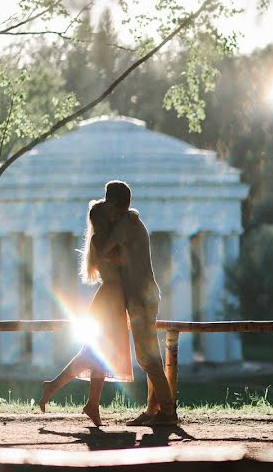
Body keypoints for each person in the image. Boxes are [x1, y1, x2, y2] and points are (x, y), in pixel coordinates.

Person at [38, 200, 133, 426]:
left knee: (96, 355)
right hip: (108, 300)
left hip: (113, 300)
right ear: (103, 218)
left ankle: (85, 402)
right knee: (96, 354)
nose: (114, 217)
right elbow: (122, 260)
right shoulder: (100, 239)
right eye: (110, 214)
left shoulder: (105, 238)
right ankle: (76, 397)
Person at [100, 180, 178, 426]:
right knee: (148, 356)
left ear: (112, 203)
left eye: (107, 204)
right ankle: (153, 410)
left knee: (148, 358)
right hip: (142, 297)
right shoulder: (130, 222)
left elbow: (103, 249)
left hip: (141, 298)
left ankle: (168, 411)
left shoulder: (126, 224)